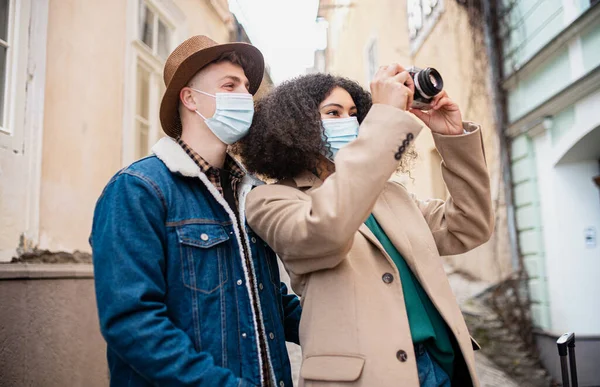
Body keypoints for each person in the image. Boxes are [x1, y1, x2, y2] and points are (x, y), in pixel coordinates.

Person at [236, 66, 493, 386]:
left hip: (440, 366)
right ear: (296, 126)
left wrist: (451, 137)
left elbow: (469, 226)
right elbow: (328, 229)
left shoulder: (390, 193)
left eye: (354, 113)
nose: (348, 121)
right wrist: (385, 117)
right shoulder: (272, 200)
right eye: (333, 112)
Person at [90, 35, 301, 387]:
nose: (246, 97)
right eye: (229, 85)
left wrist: (341, 326)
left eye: (247, 88)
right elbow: (134, 324)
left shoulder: (251, 193)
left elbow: (271, 301)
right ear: (189, 98)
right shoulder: (138, 189)